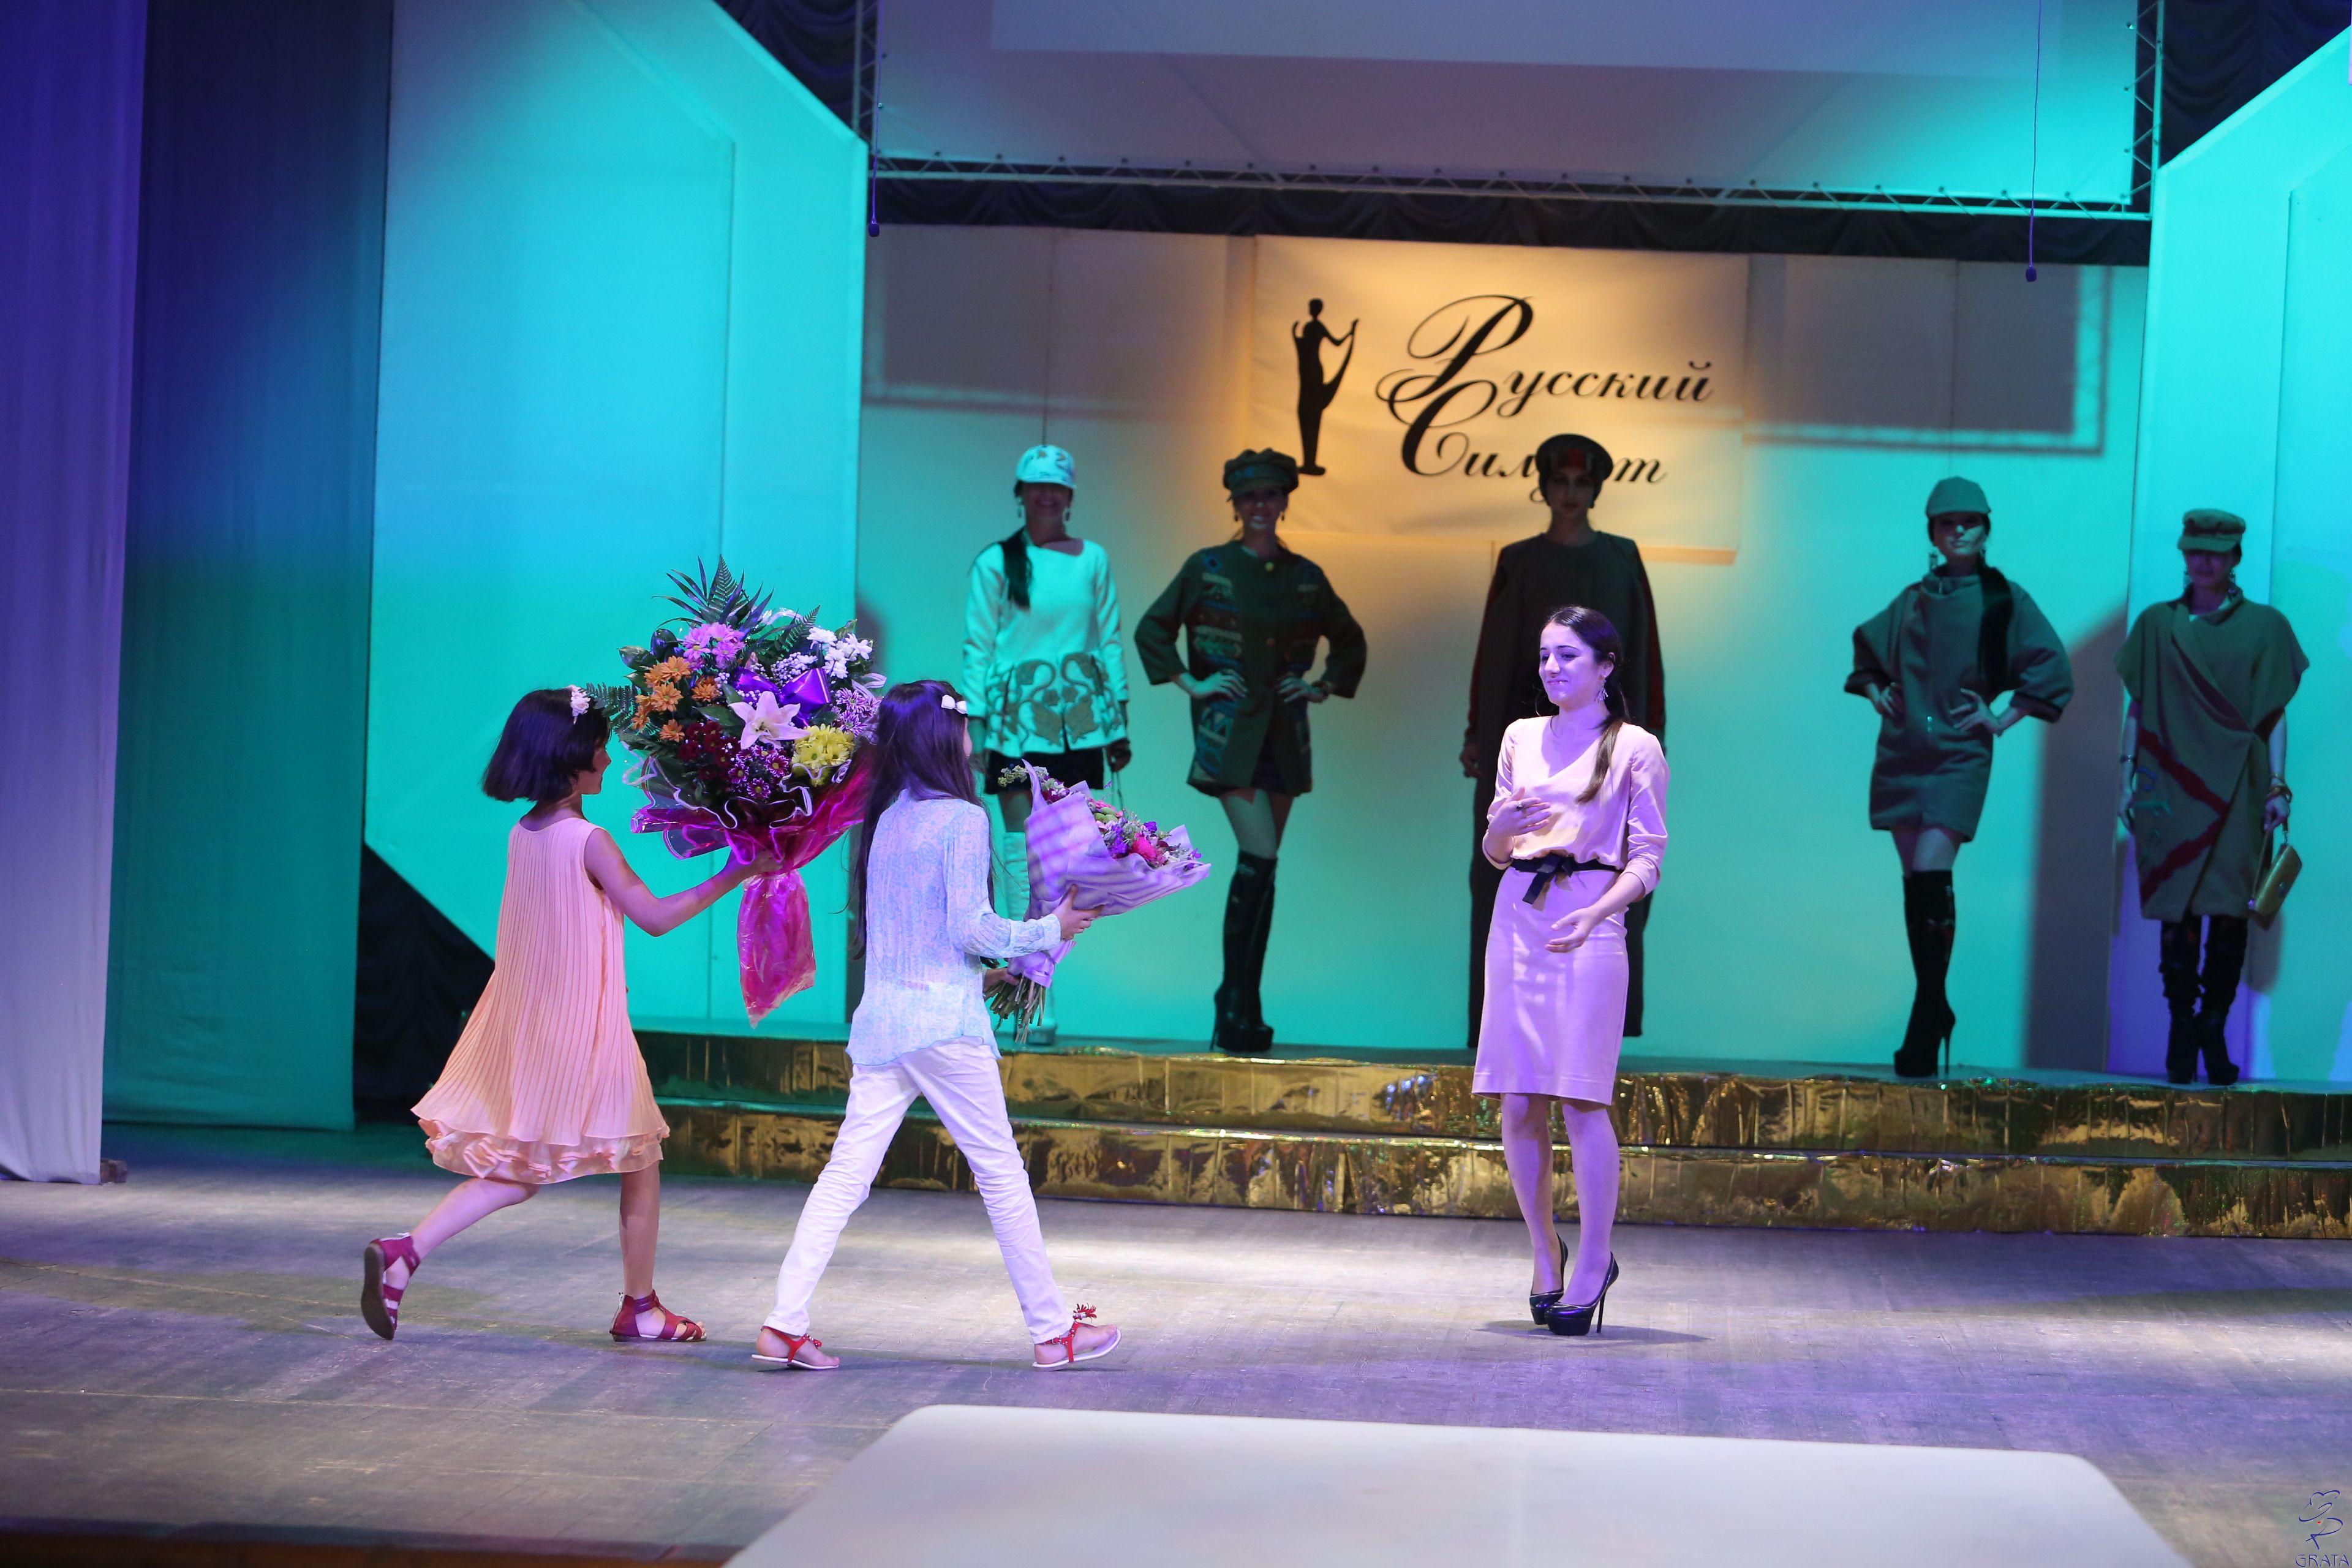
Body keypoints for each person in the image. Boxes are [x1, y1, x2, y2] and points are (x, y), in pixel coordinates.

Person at [360, 688, 771, 1343]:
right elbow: (655, 918)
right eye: (599, 747)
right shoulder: (589, 840)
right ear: (570, 756)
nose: (607, 759)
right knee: (616, 1158)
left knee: (546, 1168)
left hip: (534, 1024)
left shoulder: (525, 832)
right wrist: (738, 872)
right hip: (584, 1029)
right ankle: (638, 1308)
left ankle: (409, 1253)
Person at [752, 680, 1119, 1372]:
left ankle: (783, 1322)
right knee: (1002, 1175)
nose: (973, 739)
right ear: (943, 737)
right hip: (943, 1029)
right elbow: (971, 928)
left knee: (845, 1175)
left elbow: (913, 943)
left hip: (885, 1024)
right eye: (965, 726)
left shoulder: (886, 819)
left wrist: (985, 977)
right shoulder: (961, 819)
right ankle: (1052, 1333)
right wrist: (1052, 928)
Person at [1136, 448, 1367, 1055]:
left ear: (1284, 501)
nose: (1260, 506)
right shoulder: (1208, 566)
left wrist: (1320, 686)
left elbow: (1350, 640)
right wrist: (1192, 682)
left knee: (1263, 864)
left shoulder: (1306, 575)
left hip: (1285, 736)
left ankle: (1241, 999)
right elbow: (1153, 628)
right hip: (1229, 734)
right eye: (1249, 497)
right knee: (1259, 855)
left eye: (1270, 495)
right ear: (1235, 505)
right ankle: (1236, 999)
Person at [1476, 606, 1667, 1338]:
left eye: (1568, 656)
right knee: (1518, 1097)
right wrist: (1499, 832)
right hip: (1518, 914)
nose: (1552, 668)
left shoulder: (1634, 747)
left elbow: (1648, 857)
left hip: (1592, 914)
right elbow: (1497, 847)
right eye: (1545, 655)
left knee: (1582, 1097)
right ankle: (1543, 1252)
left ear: (1606, 665)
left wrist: (1597, 913)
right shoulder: (1520, 736)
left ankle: (1594, 1260)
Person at [1847, 477, 2073, 1077]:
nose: (1959, 532)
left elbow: (2051, 666)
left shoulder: (2004, 599)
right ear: (1933, 532)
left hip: (1958, 754)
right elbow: (1868, 652)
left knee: (1931, 871)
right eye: (1947, 523)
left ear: (1986, 528)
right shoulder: (1914, 599)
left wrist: (2001, 718)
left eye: (1970, 521)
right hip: (1902, 751)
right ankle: (1932, 1004)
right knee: (1915, 882)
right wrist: (1876, 691)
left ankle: (1928, 1009)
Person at [1463, 434, 1664, 1051]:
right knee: (1502, 865)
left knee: (1615, 865)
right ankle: (1500, 1028)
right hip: (1529, 746)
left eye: (1581, 483)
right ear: (1544, 487)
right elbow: (1496, 653)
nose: (1570, 493)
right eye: (1559, 481)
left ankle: (1600, 1030)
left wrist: (1647, 737)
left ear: (1595, 489)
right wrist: (1478, 734)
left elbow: (1642, 656)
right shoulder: (1519, 560)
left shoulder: (1622, 558)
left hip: (1605, 747)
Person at [2117, 508, 2305, 1086]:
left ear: (2235, 558)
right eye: (2194, 550)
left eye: (2216, 552)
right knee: (2176, 909)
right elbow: (2140, 704)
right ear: (2183, 553)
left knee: (2227, 913)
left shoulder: (2266, 627)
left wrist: (2278, 785)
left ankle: (2213, 1026)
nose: (2203, 561)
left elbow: (2274, 714)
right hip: (2170, 781)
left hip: (2238, 784)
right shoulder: (2157, 624)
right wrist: (2127, 775)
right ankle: (2181, 1027)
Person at [963, 443, 1131, 1044]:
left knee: (1064, 858)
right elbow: (978, 646)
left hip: (1081, 719)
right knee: (1020, 850)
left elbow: (1110, 639)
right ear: (1021, 493)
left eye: (1057, 487)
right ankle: (1027, 987)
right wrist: (976, 727)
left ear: (1070, 496)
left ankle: (1040, 984)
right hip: (1015, 719)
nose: (1047, 496)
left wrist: (1119, 720)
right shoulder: (995, 562)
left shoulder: (1093, 559)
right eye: (1037, 486)